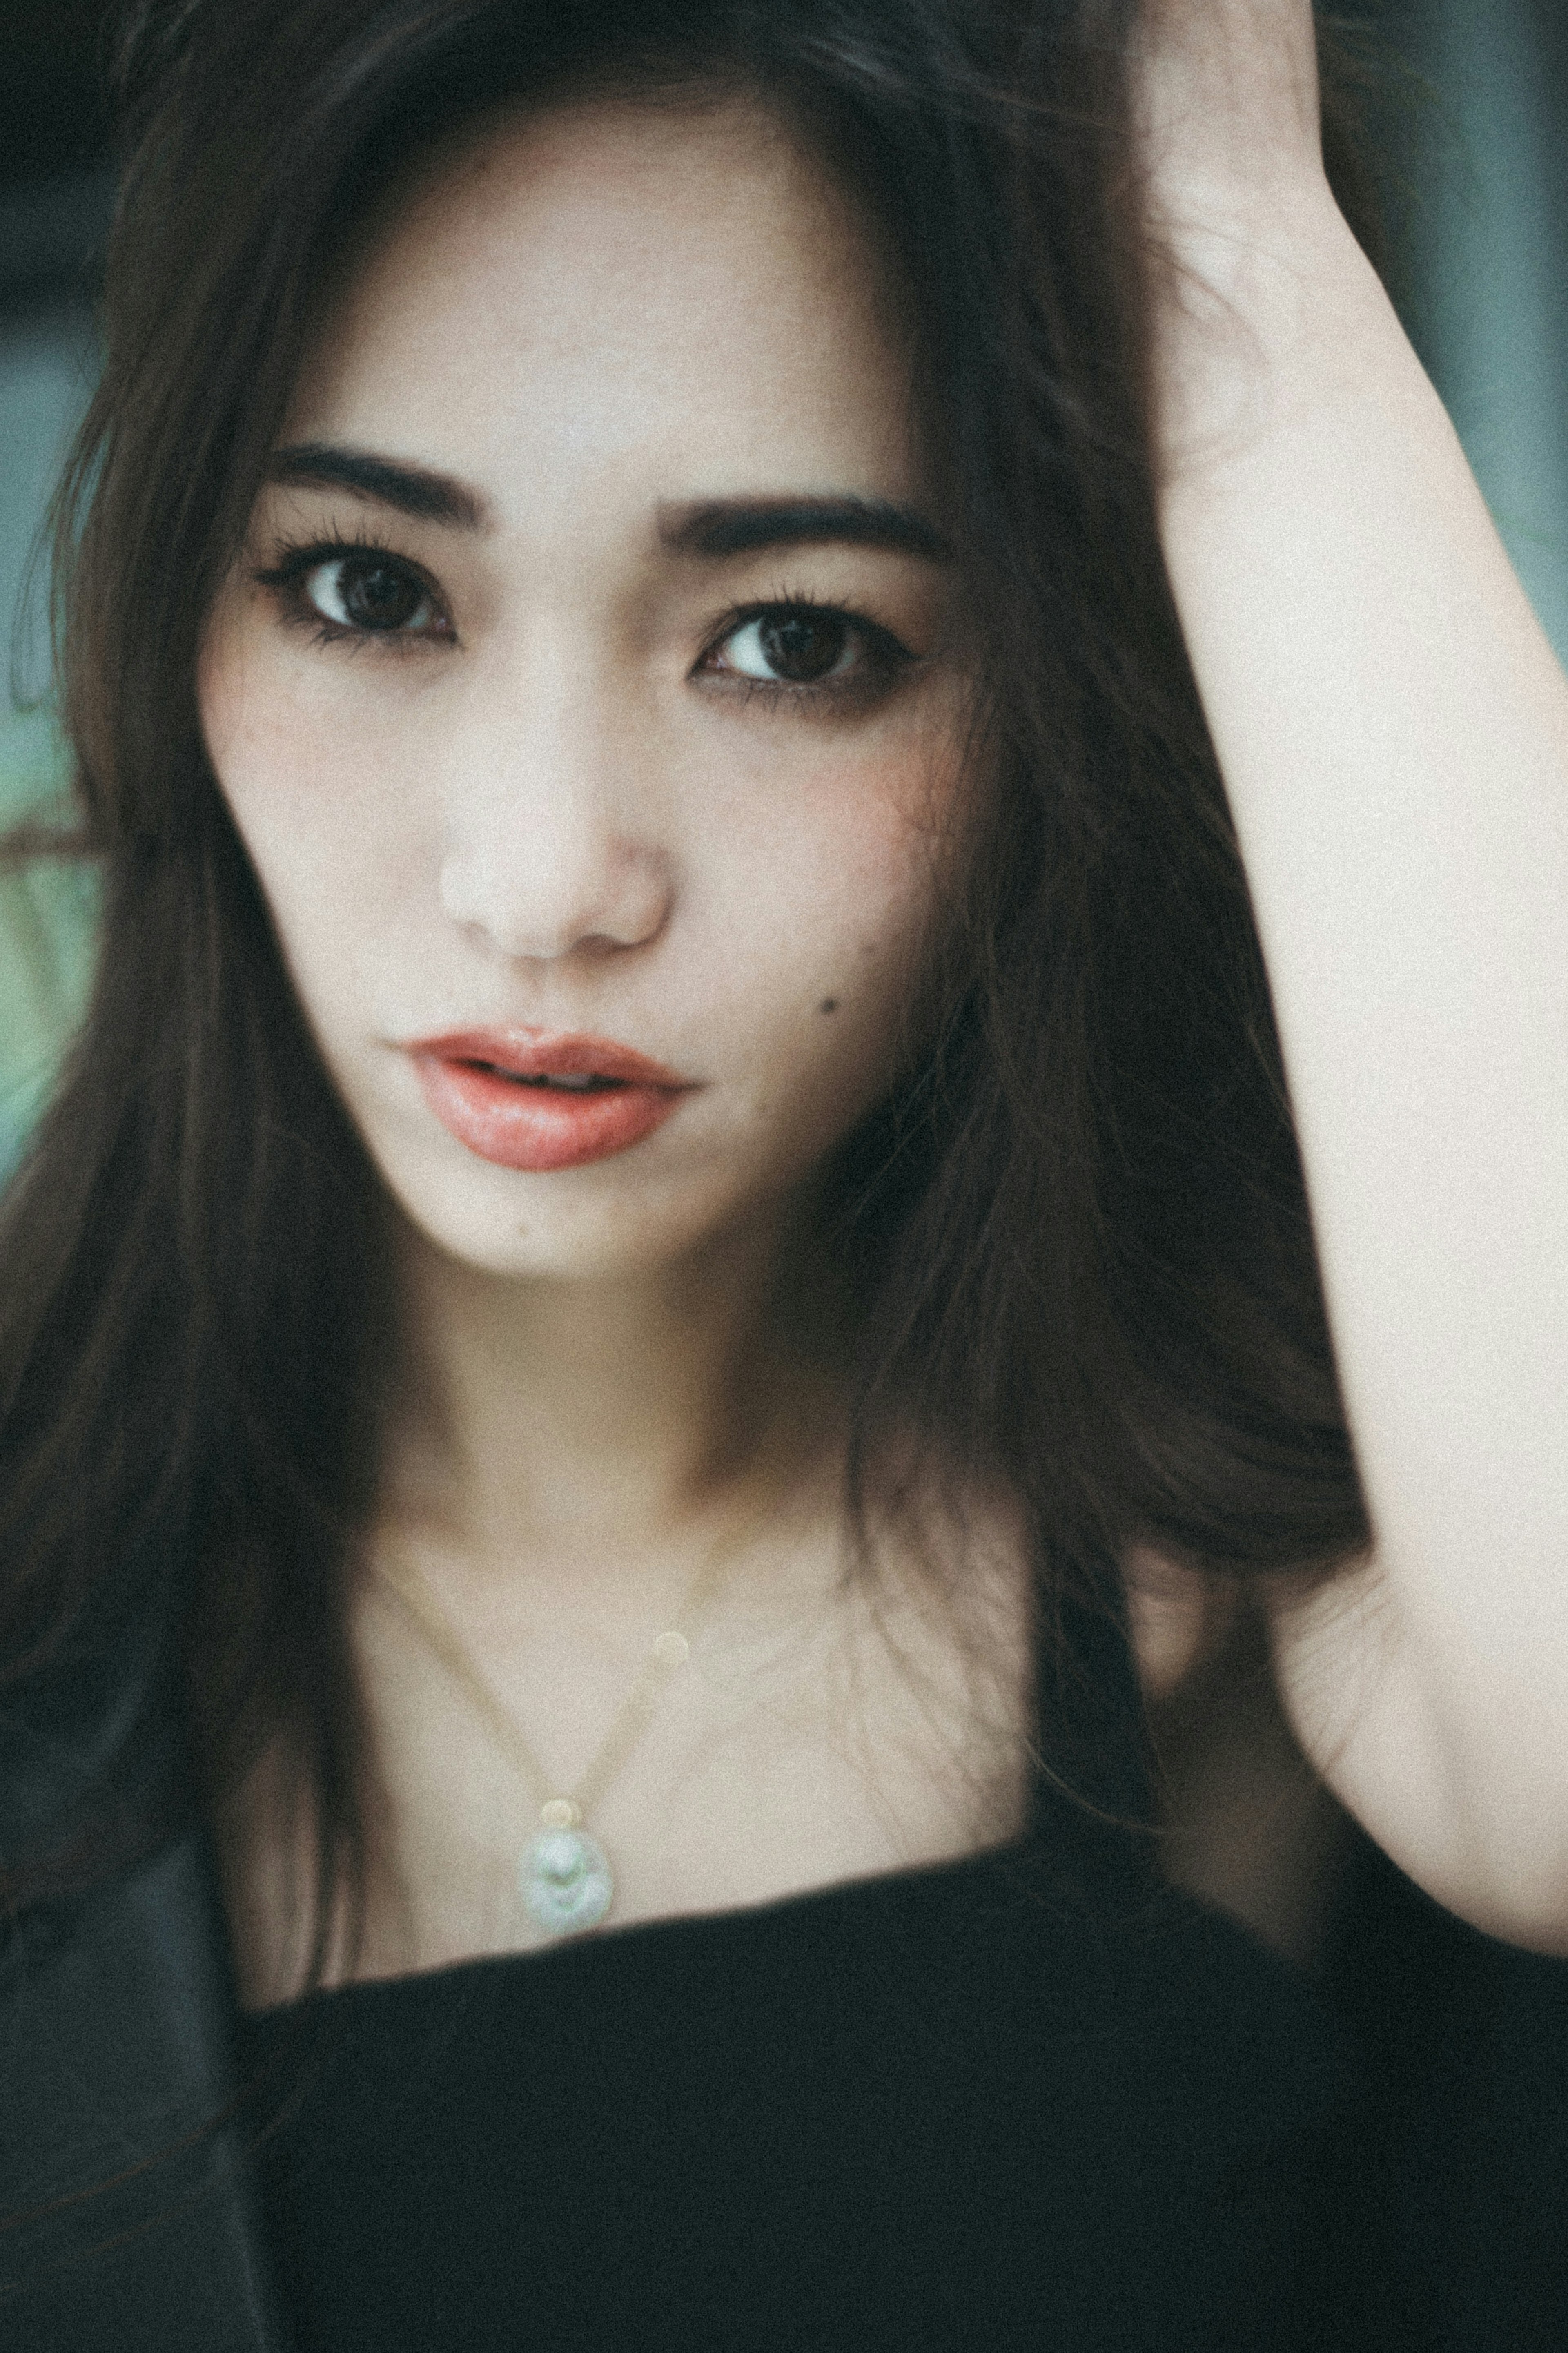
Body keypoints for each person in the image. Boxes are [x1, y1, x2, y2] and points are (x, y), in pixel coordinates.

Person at [2, 0, 1566, 2345]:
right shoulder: (49, 1569)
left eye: (797, 639)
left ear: (1050, 697)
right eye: (363, 588)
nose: (546, 883)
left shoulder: (1227, 1573)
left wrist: (1230, 255)